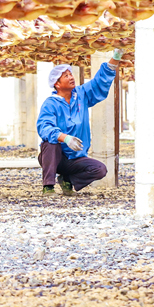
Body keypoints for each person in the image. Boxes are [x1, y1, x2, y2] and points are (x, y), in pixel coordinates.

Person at [36, 49, 124, 197]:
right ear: (57, 84)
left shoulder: (81, 95)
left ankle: (67, 180)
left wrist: (115, 59)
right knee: (50, 144)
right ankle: (48, 187)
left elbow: (99, 83)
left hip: (76, 158)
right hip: (56, 158)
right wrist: (65, 138)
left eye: (70, 74)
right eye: (66, 76)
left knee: (100, 169)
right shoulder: (50, 104)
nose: (71, 77)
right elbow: (44, 127)